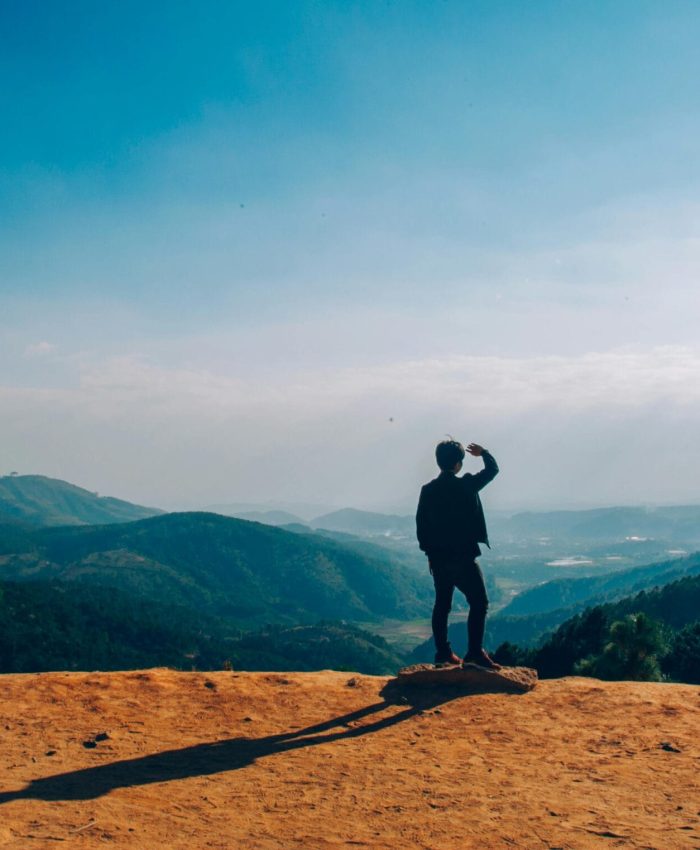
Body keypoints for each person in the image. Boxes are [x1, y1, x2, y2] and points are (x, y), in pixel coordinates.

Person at [416, 439, 500, 669]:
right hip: (463, 557)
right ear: (458, 463)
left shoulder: (428, 490)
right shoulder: (466, 485)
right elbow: (492, 470)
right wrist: (484, 452)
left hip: (439, 559)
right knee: (479, 602)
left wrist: (430, 553)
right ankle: (474, 652)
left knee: (442, 605)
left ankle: (443, 653)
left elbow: (421, 527)